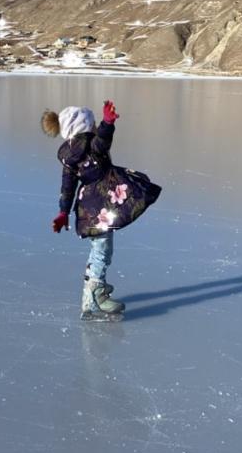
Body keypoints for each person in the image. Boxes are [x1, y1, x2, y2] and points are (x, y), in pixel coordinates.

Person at [41, 100, 161, 321]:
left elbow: (67, 187)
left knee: (99, 249)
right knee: (102, 251)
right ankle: (96, 292)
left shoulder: (70, 156)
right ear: (84, 127)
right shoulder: (90, 145)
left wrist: (63, 212)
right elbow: (101, 143)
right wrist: (107, 123)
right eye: (93, 123)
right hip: (101, 206)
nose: (95, 126)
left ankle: (89, 300)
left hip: (89, 207)